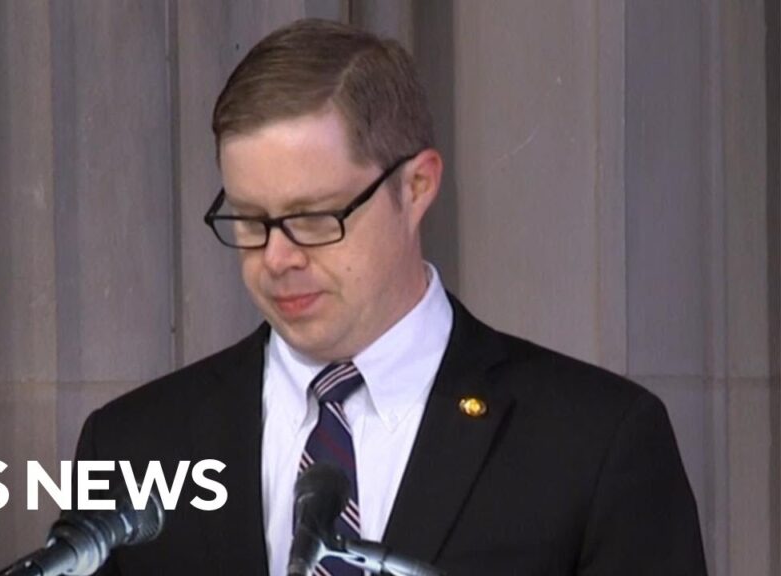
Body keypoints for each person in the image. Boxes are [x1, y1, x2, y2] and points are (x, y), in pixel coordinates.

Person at [73, 18, 707, 575]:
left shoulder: (595, 442)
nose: (277, 257)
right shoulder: (134, 445)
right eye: (249, 219)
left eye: (315, 216)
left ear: (417, 185)